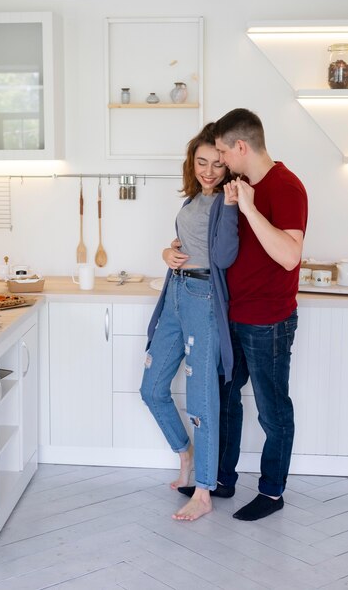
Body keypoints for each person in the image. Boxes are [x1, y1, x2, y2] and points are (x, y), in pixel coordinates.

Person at [178, 108, 308, 521]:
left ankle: (272, 492)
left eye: (223, 153)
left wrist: (250, 209)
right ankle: (222, 479)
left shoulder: (286, 188)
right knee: (225, 400)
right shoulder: (239, 184)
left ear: (240, 146)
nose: (219, 164)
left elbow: (289, 257)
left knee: (272, 409)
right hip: (229, 315)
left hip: (268, 321)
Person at [140, 122, 239, 521]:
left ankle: (203, 490)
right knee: (151, 388)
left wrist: (231, 207)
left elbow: (226, 255)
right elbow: (184, 243)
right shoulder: (193, 200)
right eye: (202, 162)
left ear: (228, 164)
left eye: (217, 163)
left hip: (203, 300)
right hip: (176, 296)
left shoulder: (226, 202)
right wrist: (167, 251)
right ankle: (186, 454)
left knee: (202, 400)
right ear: (192, 162)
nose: (209, 171)